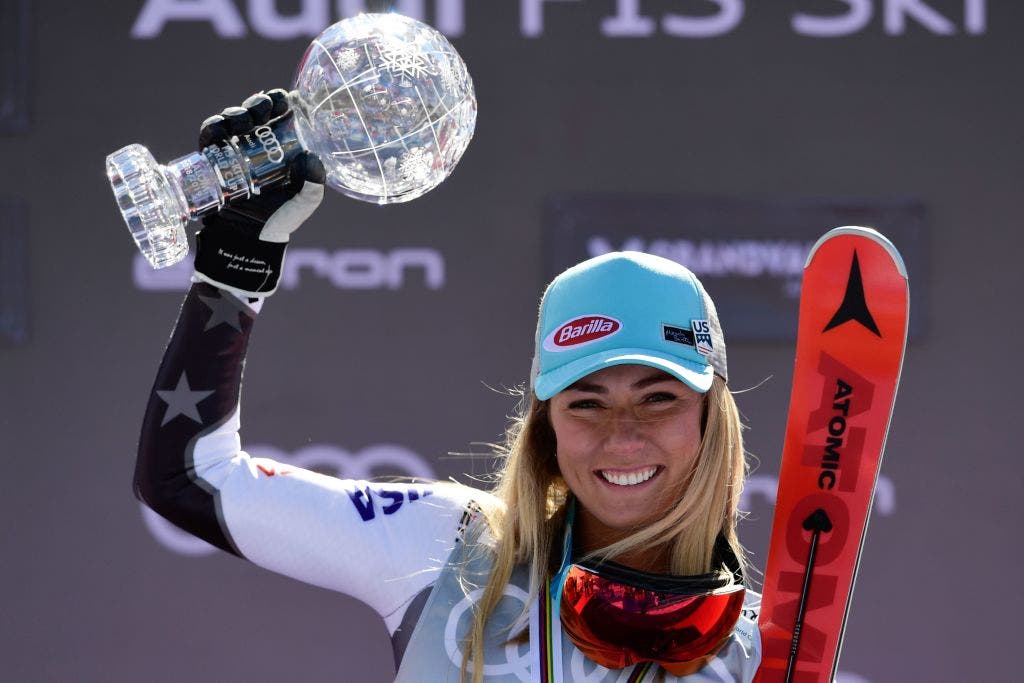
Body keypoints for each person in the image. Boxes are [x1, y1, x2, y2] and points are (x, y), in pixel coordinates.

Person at [135, 91, 761, 682]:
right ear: (547, 428)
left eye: (659, 399)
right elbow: (188, 479)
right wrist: (237, 259)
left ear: (712, 421)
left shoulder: (769, 651)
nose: (622, 436)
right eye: (586, 402)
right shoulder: (452, 549)